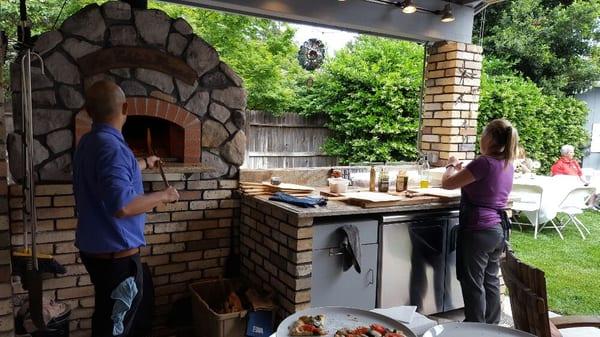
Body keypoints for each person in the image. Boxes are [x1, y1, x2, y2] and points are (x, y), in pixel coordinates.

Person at [73, 80, 180, 337]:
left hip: (96, 252)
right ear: (126, 107)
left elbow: (113, 176)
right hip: (116, 260)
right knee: (116, 327)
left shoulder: (89, 142)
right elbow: (123, 206)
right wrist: (163, 195)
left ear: (88, 111)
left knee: (106, 318)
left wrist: (143, 162)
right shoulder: (113, 149)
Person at [441, 118, 518, 324]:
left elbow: (447, 184)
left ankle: (474, 327)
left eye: (483, 134)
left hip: (478, 230)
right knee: (490, 279)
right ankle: (492, 327)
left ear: (490, 138)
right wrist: (463, 169)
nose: (480, 138)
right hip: (497, 230)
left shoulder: (484, 162)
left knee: (472, 281)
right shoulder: (507, 163)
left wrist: (450, 164)